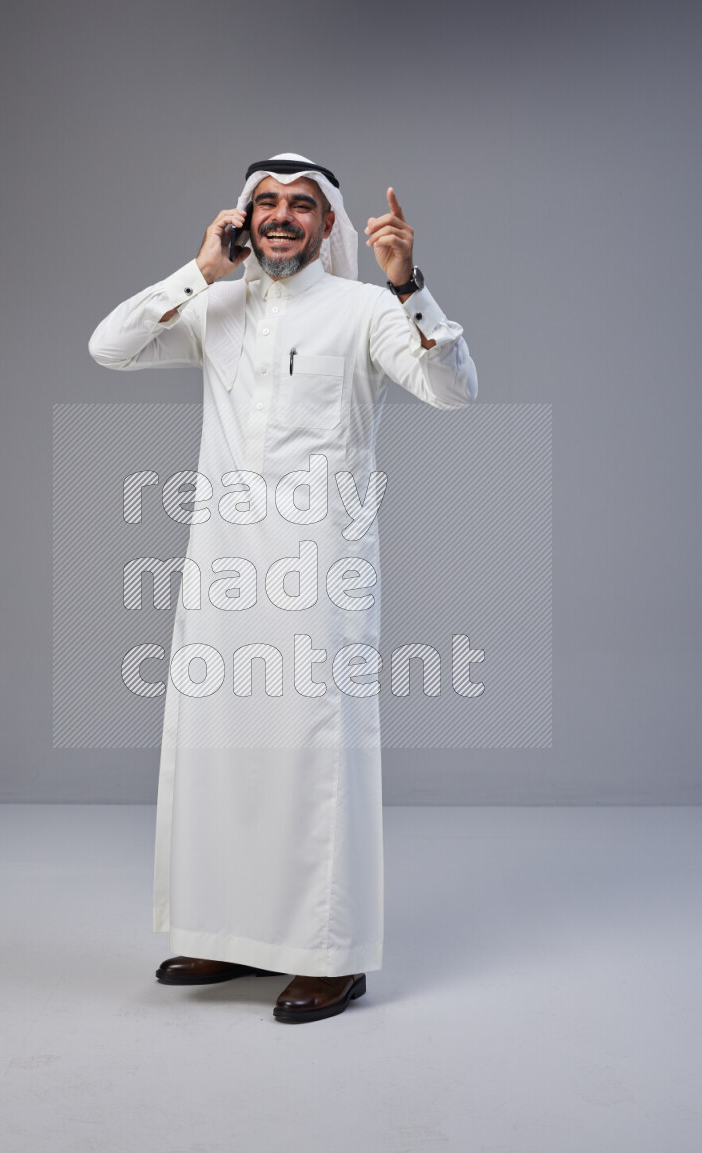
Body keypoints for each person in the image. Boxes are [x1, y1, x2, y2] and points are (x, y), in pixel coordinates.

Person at [88, 153, 478, 1024]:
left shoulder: (365, 308)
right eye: (265, 203)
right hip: (223, 570)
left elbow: (454, 391)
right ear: (241, 217)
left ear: (329, 225)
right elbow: (107, 347)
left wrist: (411, 284)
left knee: (315, 755)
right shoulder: (216, 306)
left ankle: (331, 957)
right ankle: (230, 932)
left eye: (301, 205)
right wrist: (199, 269)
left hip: (319, 569)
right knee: (221, 751)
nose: (280, 217)